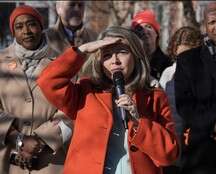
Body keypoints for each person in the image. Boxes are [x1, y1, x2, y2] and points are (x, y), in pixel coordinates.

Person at [37, 26, 178, 174]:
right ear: (100, 61)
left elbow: (169, 154)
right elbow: (48, 81)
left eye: (122, 52)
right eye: (107, 55)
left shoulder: (154, 97)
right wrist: (82, 50)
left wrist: (139, 121)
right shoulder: (86, 92)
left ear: (136, 56)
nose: (115, 61)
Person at [0, 5, 72, 174]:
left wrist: (42, 140)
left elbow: (71, 109)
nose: (26, 31)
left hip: (50, 159)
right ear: (13, 32)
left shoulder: (64, 62)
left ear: (41, 26)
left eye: (31, 24)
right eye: (19, 27)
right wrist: (18, 138)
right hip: (9, 158)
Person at [175, 2, 216, 174]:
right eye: (212, 22)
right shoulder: (187, 60)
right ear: (204, 26)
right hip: (199, 156)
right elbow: (185, 104)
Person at [159, 26, 202, 174]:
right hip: (173, 149)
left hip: (196, 152)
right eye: (180, 57)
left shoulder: (205, 75)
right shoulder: (168, 74)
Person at [131, 9, 172, 80]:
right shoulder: (130, 63)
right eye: (139, 28)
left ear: (157, 34)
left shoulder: (168, 64)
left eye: (148, 27)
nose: (144, 31)